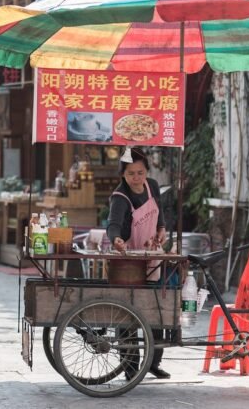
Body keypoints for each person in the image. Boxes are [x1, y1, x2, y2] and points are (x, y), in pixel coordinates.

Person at [106, 147, 170, 380]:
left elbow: (159, 213)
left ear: (146, 172)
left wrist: (161, 229)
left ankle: (153, 362)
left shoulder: (152, 186)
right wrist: (116, 240)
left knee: (156, 308)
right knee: (128, 314)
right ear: (123, 174)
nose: (136, 178)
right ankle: (130, 366)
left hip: (152, 255)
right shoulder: (120, 196)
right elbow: (112, 224)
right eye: (131, 173)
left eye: (140, 173)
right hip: (128, 261)